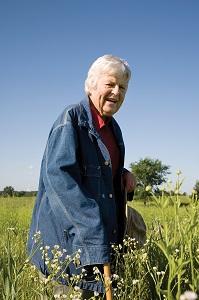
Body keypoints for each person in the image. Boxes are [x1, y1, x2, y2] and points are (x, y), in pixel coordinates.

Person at [28, 54, 136, 299]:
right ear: (92, 84)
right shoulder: (71, 120)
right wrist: (93, 230)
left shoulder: (113, 128)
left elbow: (97, 171)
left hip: (100, 246)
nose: (116, 92)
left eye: (123, 88)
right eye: (110, 84)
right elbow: (60, 179)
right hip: (69, 249)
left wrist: (123, 174)